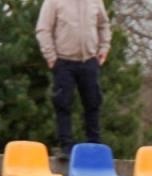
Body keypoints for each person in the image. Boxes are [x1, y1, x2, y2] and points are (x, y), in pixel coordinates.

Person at [36, 0, 112, 158]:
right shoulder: (53, 2)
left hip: (90, 60)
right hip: (63, 61)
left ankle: (94, 145)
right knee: (63, 104)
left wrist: (104, 48)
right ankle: (66, 146)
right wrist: (51, 57)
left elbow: (104, 25)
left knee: (93, 103)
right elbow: (43, 29)